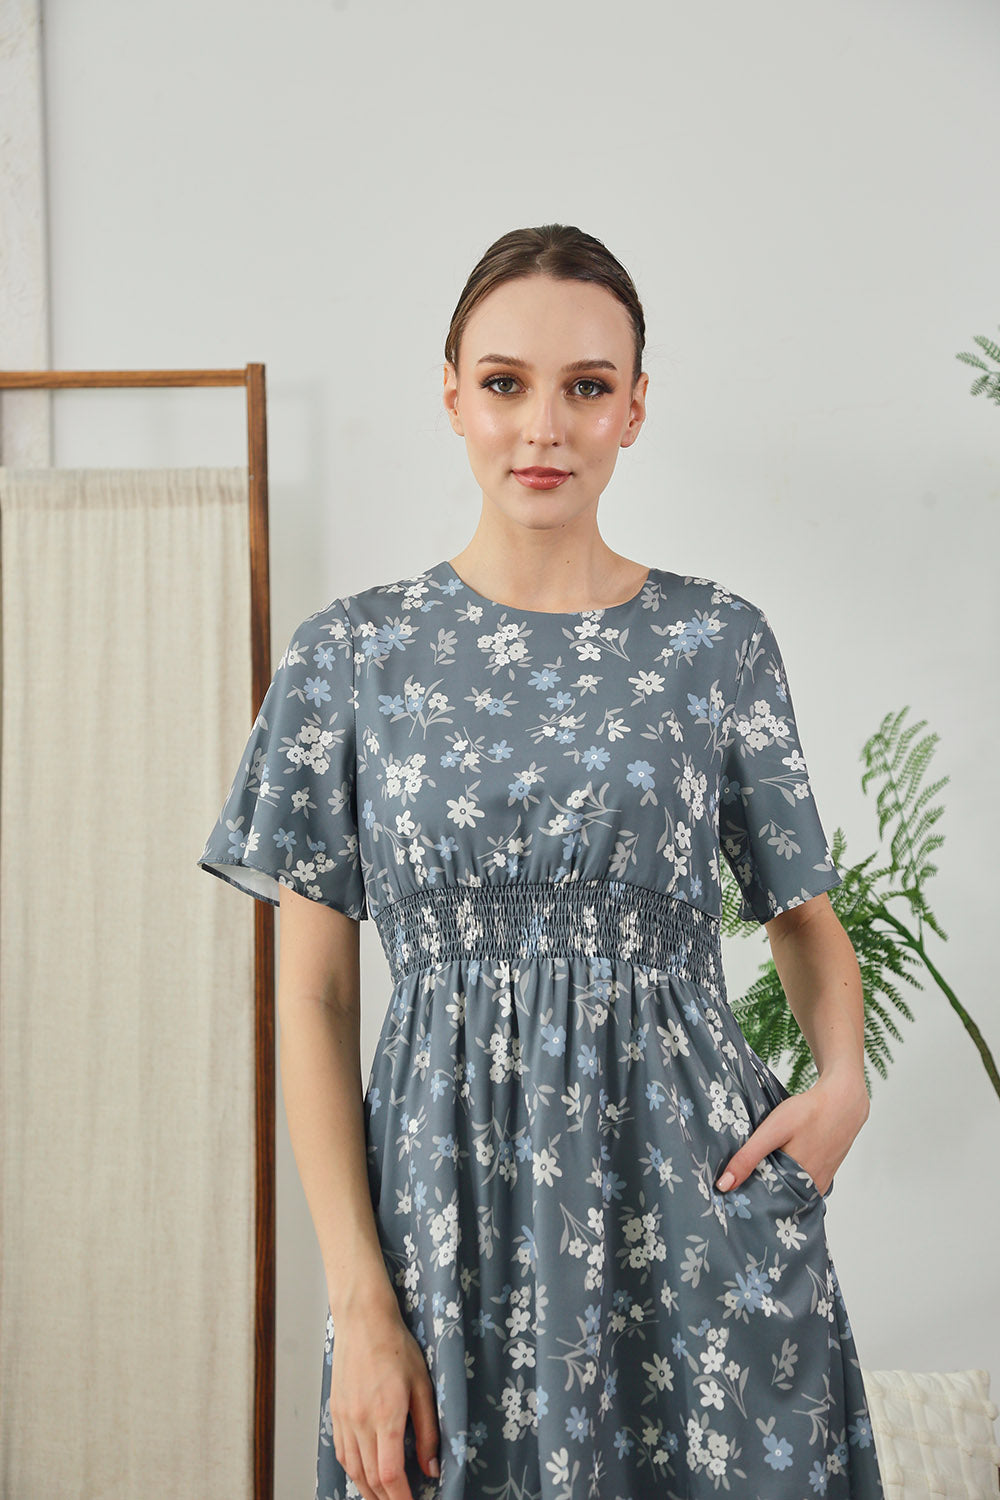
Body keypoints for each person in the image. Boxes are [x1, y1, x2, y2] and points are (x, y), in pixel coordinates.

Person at [198, 224, 885, 1500]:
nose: (543, 428)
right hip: (443, 1221)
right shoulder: (349, 657)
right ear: (451, 394)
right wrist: (359, 1303)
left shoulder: (717, 642)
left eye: (586, 387)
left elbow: (800, 914)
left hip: (688, 1216)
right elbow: (315, 996)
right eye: (506, 383)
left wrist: (842, 1083)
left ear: (635, 407)